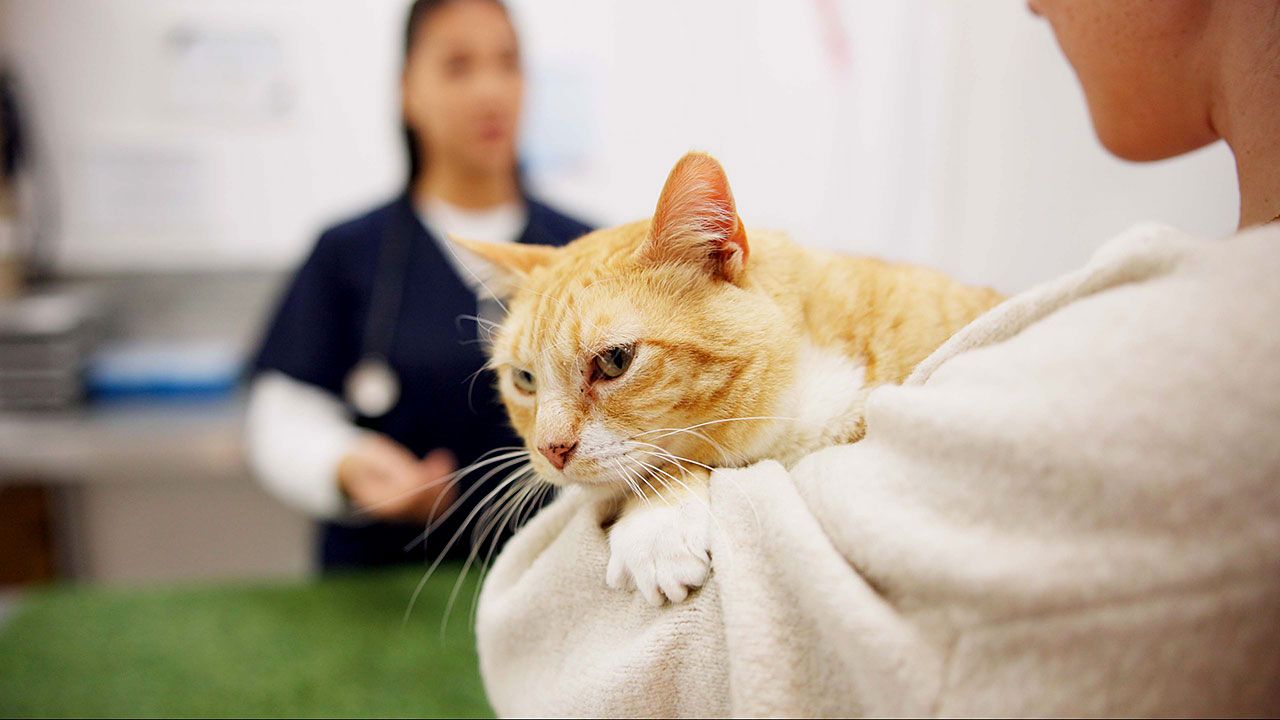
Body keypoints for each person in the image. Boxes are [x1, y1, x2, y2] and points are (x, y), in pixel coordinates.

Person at [473, 1, 1280, 716]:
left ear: (721, 256)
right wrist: (671, 476)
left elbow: (540, 655)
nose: (552, 439)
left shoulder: (1208, 364)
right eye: (524, 381)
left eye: (612, 361)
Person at [245, 0, 591, 570]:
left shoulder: (586, 251)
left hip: (552, 576)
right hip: (383, 583)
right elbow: (282, 414)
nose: (491, 91)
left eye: (508, 63)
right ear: (407, 91)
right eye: (458, 66)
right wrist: (344, 463)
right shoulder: (348, 253)